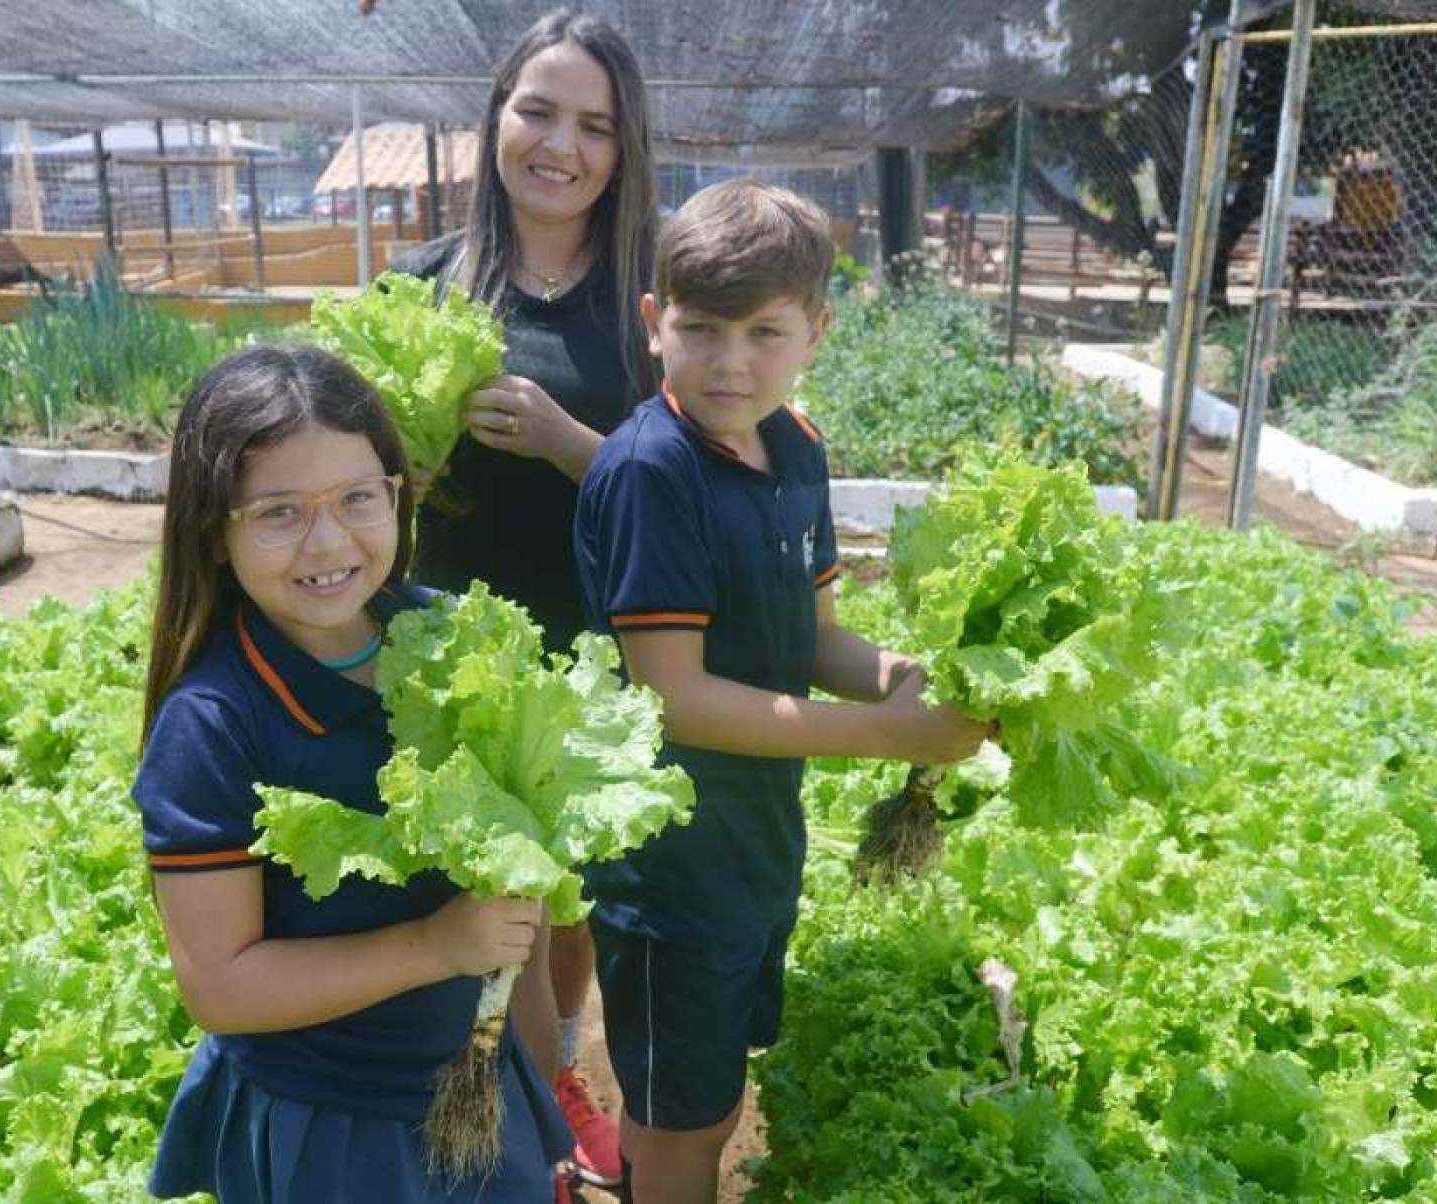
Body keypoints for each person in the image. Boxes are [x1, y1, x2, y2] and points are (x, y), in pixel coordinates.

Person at [572, 181, 992, 1203]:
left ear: (817, 331)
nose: (732, 361)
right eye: (701, 329)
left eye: (766, 331)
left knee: (707, 1099)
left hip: (755, 842)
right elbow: (673, 697)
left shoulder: (795, 447)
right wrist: (884, 733)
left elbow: (814, 639)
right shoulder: (651, 475)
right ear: (652, 324)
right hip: (667, 870)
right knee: (680, 1120)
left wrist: (911, 683)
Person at [133, 344, 570, 1202]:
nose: (327, 542)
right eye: (278, 513)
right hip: (332, 1130)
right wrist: (435, 945)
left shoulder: (456, 639)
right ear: (212, 535)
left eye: (357, 499)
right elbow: (220, 985)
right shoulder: (214, 724)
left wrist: (537, 1051)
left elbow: (524, 886)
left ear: (398, 496)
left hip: (480, 1084)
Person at [393, 11, 657, 1188]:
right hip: (450, 640)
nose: (562, 144)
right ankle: (527, 1088)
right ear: (495, 119)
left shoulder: (650, 310)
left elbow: (693, 495)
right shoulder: (423, 289)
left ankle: (552, 1073)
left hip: (598, 643)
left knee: (571, 888)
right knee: (484, 886)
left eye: (595, 125)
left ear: (624, 149)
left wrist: (569, 444)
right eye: (538, 111)